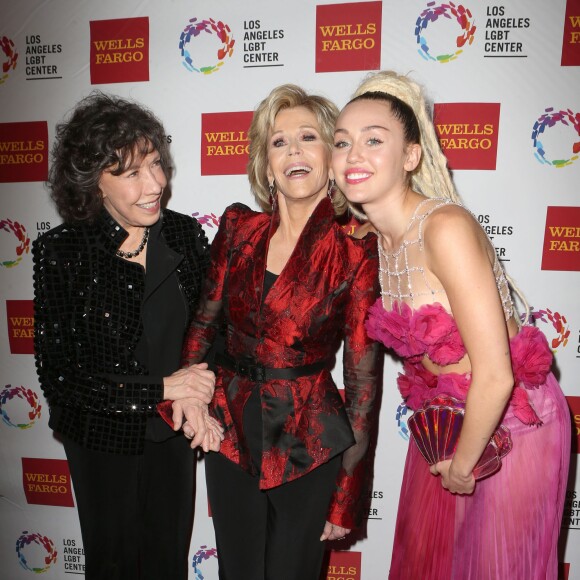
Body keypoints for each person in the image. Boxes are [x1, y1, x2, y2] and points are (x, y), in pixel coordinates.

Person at [331, 70, 570, 579]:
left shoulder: (445, 227)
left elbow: (497, 376)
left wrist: (462, 466)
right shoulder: (371, 238)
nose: (354, 155)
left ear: (412, 156)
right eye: (342, 142)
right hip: (443, 425)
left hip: (510, 421)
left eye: (375, 140)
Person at [175, 84, 380, 579]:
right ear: (267, 165)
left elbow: (362, 386)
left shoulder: (356, 253)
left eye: (308, 137)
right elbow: (202, 327)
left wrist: (345, 496)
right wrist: (191, 401)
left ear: (331, 155)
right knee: (239, 571)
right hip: (229, 428)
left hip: (308, 439)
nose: (293, 150)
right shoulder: (238, 230)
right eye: (278, 141)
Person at [32, 92, 222, 580]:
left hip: (173, 435)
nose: (155, 183)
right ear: (95, 182)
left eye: (156, 164)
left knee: (167, 562)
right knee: (113, 564)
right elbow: (63, 380)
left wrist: (199, 397)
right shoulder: (63, 252)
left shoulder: (183, 235)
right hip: (103, 444)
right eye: (132, 173)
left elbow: (210, 333)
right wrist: (164, 388)